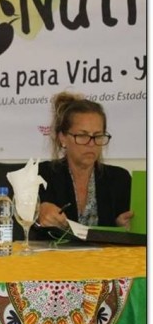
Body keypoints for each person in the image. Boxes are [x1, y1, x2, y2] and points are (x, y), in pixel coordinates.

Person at [37, 91, 133, 230]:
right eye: (82, 135)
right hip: (57, 252)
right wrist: (37, 213)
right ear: (62, 138)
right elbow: (24, 222)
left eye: (98, 135)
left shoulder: (120, 179)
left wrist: (122, 226)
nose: (91, 143)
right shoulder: (42, 175)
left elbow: (124, 232)